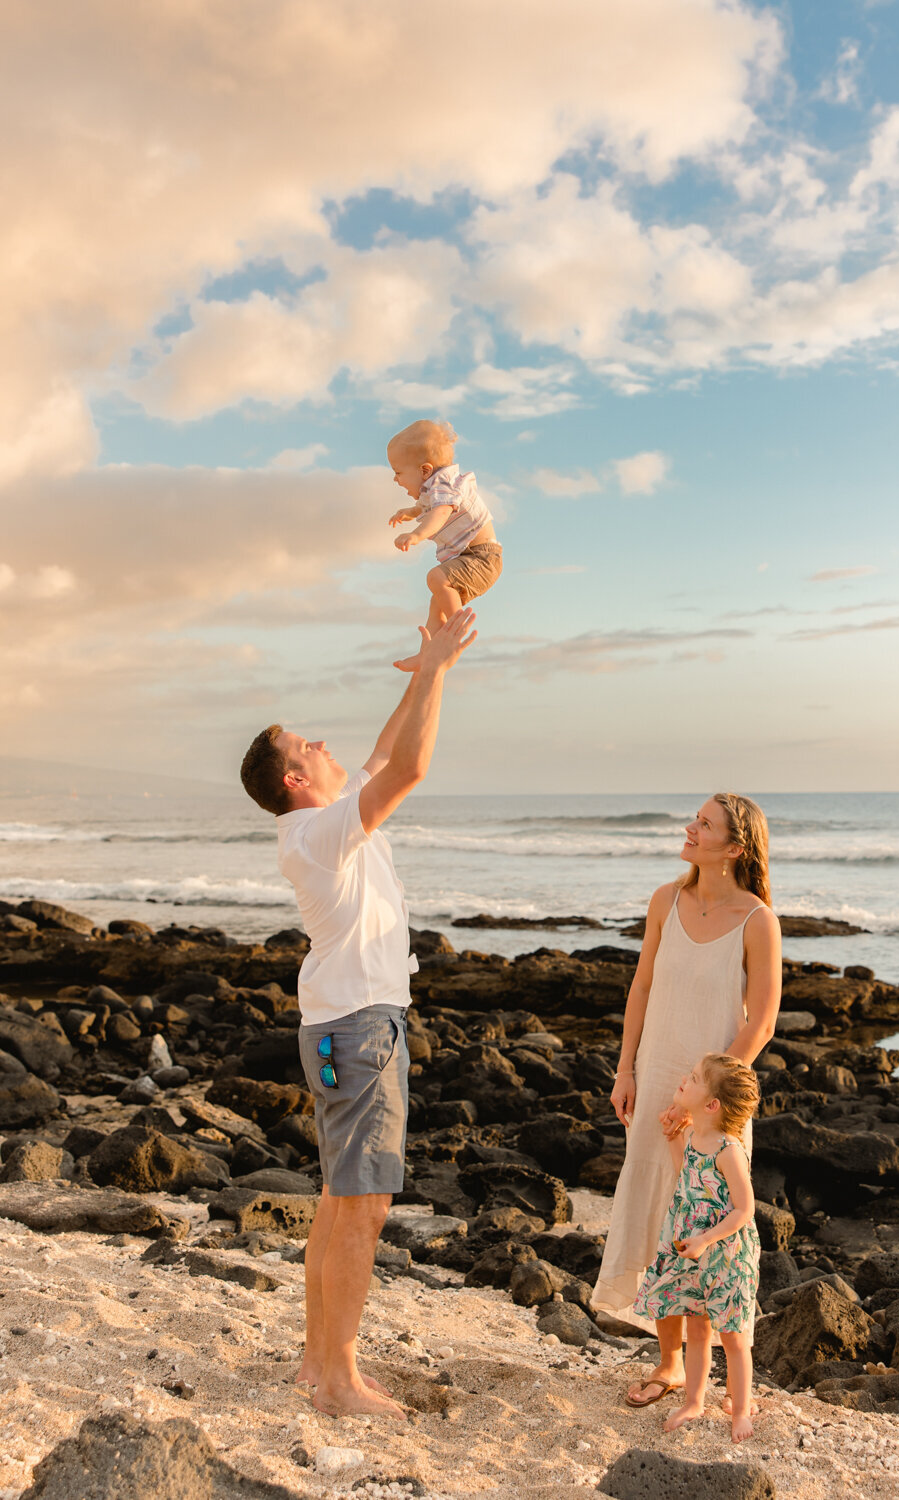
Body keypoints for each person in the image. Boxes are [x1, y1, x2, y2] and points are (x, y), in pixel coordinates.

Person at [238, 608, 477, 1422]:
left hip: (350, 1024)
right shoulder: (317, 833)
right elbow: (406, 770)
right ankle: (337, 1377)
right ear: (296, 781)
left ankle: (318, 1364)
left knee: (345, 1198)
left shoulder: (323, 822)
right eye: (309, 747)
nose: (326, 744)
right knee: (364, 1205)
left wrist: (422, 674)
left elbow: (383, 753)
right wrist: (442, 667)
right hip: (359, 1029)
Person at [591, 792, 781, 1413]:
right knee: (660, 1216)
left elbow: (763, 1023)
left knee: (710, 1224)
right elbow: (640, 986)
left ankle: (727, 1379)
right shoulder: (664, 901)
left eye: (705, 824)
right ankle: (670, 1364)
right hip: (657, 1081)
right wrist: (626, 1070)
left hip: (715, 1099)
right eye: (695, 819)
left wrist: (709, 1102)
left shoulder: (758, 920)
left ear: (735, 847)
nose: (690, 828)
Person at [632, 1053, 761, 1443]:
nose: (684, 1079)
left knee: (734, 1336)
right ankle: (694, 1400)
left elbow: (744, 1209)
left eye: (693, 1078)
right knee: (697, 1327)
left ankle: (740, 1409)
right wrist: (673, 1136)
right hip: (689, 1249)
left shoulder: (728, 1150)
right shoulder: (695, 1137)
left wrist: (706, 1238)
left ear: (711, 1105)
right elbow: (684, 1175)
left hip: (724, 1255)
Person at [387, 418, 502, 672]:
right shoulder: (434, 490)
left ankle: (454, 634)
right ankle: (428, 654)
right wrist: (409, 512)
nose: (395, 479)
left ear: (425, 471)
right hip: (470, 557)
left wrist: (416, 535)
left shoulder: (445, 485)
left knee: (436, 578)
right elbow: (427, 506)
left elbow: (439, 514)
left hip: (482, 558)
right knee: (436, 602)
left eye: (398, 472)